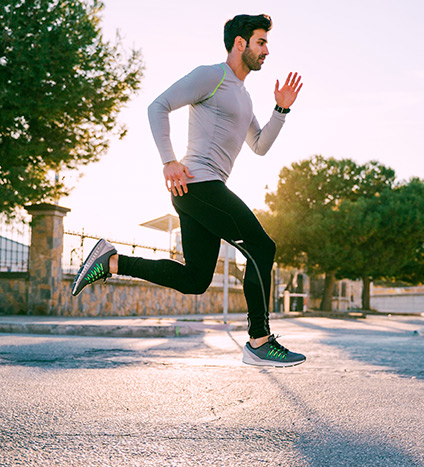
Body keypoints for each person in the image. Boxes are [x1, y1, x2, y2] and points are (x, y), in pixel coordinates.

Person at [71, 14, 305, 367]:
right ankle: (259, 340)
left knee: (196, 279)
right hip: (197, 184)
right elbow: (157, 106)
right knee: (261, 246)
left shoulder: (243, 96)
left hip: (203, 190)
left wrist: (281, 109)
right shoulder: (211, 76)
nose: (266, 50)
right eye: (261, 42)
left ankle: (112, 260)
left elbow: (259, 145)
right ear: (239, 44)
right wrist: (169, 160)